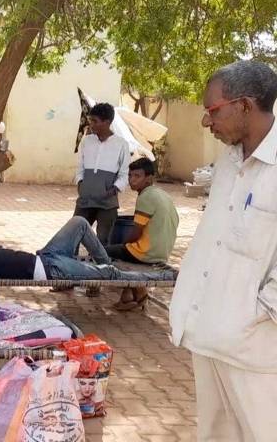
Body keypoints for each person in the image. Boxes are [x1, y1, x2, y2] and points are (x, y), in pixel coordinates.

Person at [169, 60, 277, 441]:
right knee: (215, 435)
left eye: (212, 110)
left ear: (245, 106)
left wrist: (258, 313)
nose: (205, 122)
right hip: (207, 333)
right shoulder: (229, 161)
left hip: (255, 349)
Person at [0, 217, 176, 285]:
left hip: (45, 256)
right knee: (112, 275)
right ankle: (165, 276)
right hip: (52, 271)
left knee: (79, 222)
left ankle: (104, 263)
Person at [108, 158, 179, 311]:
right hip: (163, 251)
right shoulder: (162, 194)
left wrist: (124, 245)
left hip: (147, 253)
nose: (132, 180)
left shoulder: (146, 196)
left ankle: (139, 292)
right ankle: (129, 297)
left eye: (137, 176)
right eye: (130, 176)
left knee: (106, 252)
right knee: (124, 254)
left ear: (149, 178)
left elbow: (136, 231)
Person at [74, 102, 130, 244]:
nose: (91, 124)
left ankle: (101, 265)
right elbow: (80, 167)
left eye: (95, 121)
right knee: (74, 235)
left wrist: (113, 190)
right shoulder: (86, 141)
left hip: (107, 202)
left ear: (107, 122)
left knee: (103, 240)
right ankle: (69, 263)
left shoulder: (121, 144)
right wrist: (80, 184)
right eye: (90, 120)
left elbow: (124, 174)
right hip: (85, 199)